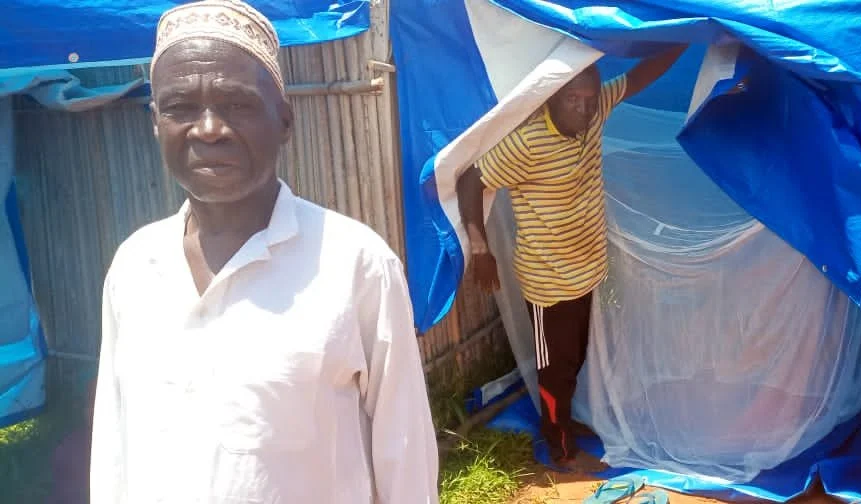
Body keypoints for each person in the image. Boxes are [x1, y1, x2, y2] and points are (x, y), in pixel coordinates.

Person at [89, 1, 438, 502]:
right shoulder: (134, 267)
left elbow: (404, 455)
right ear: (155, 123)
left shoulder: (355, 264)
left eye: (237, 105)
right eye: (181, 108)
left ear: (285, 122)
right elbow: (115, 447)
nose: (208, 128)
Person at [456, 46, 686, 472]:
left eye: (588, 99)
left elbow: (643, 73)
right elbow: (471, 179)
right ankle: (561, 450)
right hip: (547, 283)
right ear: (550, 100)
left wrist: (687, 33)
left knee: (575, 357)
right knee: (554, 370)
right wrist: (480, 248)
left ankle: (564, 425)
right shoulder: (525, 142)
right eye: (571, 101)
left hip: (586, 269)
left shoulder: (596, 110)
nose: (583, 110)